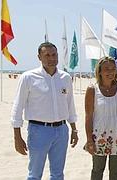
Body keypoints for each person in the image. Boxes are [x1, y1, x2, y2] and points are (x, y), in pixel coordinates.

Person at [11, 42, 78, 180]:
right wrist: (17, 137)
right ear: (39, 57)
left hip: (61, 131)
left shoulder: (65, 78)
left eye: (54, 54)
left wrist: (74, 129)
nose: (51, 58)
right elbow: (18, 107)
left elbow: (70, 105)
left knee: (58, 174)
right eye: (46, 55)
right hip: (38, 131)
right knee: (35, 175)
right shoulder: (28, 77)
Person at [84, 57, 117, 180]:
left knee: (116, 172)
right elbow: (88, 116)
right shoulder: (92, 89)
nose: (110, 72)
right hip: (99, 136)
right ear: (99, 71)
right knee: (97, 170)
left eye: (113, 69)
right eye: (106, 69)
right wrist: (89, 140)